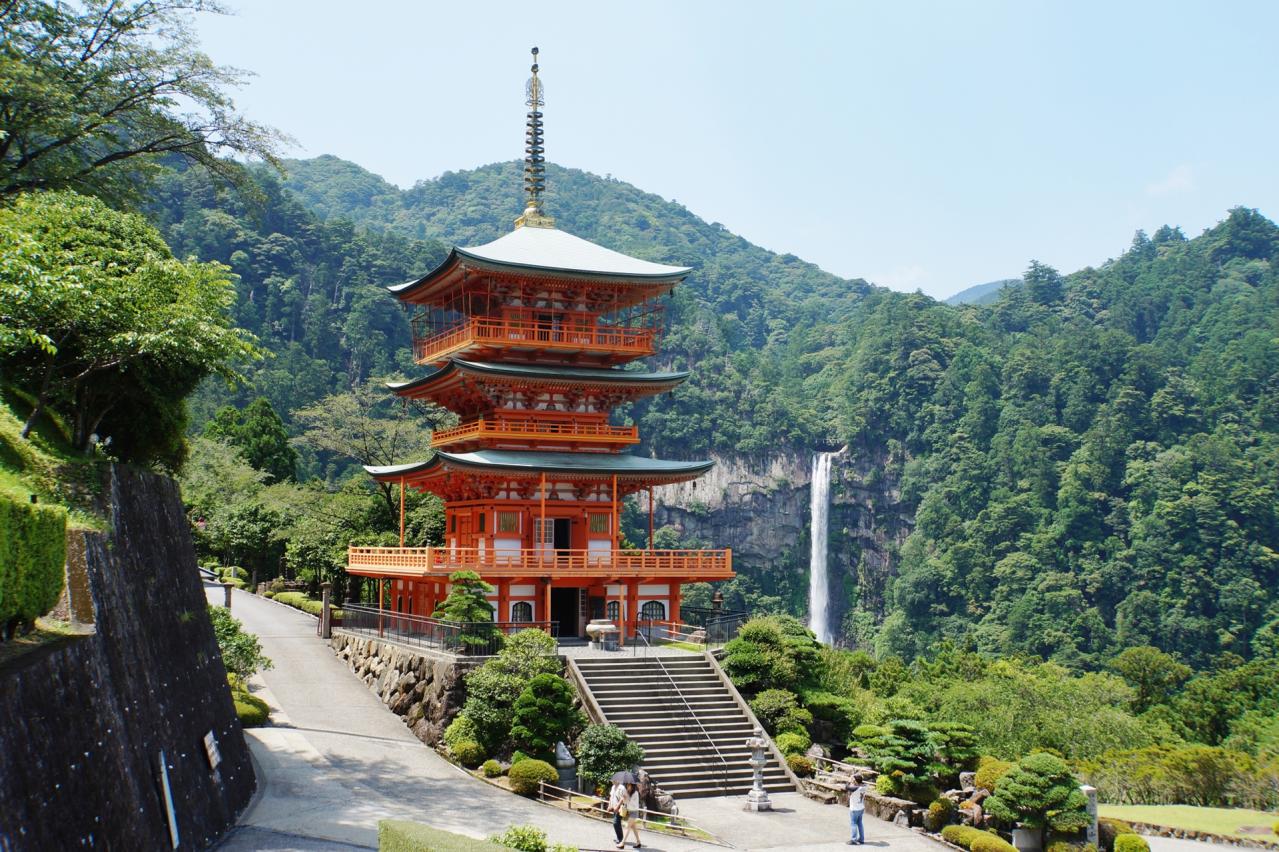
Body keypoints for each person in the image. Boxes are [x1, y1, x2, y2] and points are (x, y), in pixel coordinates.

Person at [847, 773, 867, 845]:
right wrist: (856, 777)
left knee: (853, 824)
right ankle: (861, 839)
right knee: (860, 823)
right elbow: (860, 782)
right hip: (861, 807)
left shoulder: (855, 788)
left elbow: (847, 787)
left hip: (854, 809)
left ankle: (854, 840)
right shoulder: (864, 786)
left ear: (856, 781)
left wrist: (849, 781)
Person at [607, 778, 627, 849]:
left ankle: (620, 839)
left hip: (620, 808)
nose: (611, 781)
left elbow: (623, 798)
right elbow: (611, 797)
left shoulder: (622, 787)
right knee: (617, 823)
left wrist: (617, 806)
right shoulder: (613, 787)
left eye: (612, 780)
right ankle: (619, 837)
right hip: (614, 807)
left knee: (615, 822)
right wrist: (609, 806)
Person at [622, 782, 642, 849]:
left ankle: (622, 843)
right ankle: (638, 842)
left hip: (634, 812)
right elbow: (625, 803)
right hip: (629, 811)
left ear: (632, 786)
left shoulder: (635, 793)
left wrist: (627, 797)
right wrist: (624, 798)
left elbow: (633, 804)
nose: (628, 787)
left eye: (629, 785)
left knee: (628, 827)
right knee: (634, 828)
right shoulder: (627, 792)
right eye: (627, 785)